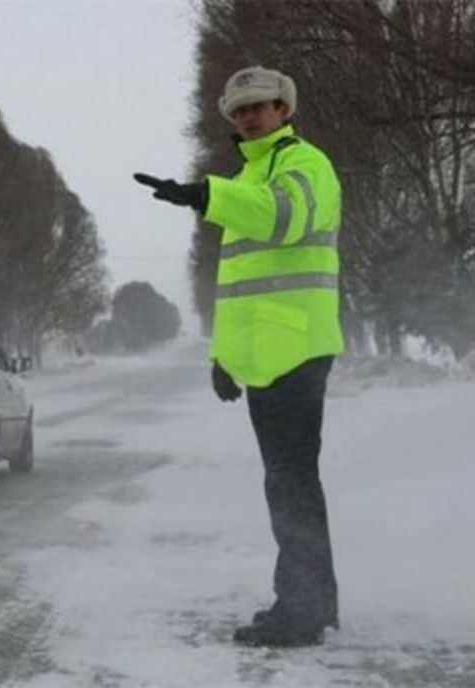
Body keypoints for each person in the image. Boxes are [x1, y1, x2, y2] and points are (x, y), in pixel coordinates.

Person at [134, 66, 343, 648]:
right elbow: (245, 291)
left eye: (261, 106)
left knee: (292, 484)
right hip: (271, 356)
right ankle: (311, 602)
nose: (250, 116)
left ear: (284, 110)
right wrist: (224, 357)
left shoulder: (304, 164)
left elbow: (282, 217)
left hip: (297, 353)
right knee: (288, 483)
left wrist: (207, 195)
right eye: (240, 110)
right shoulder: (252, 176)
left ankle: (302, 609)